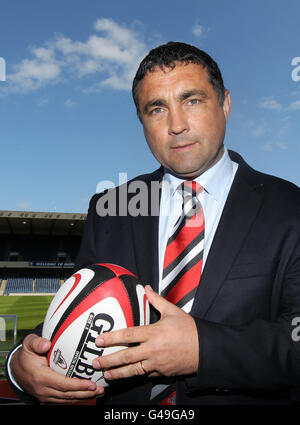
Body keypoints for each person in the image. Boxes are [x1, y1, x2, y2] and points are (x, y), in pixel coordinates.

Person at [6, 41, 300, 405]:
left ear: (225, 103)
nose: (176, 125)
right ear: (142, 122)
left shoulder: (289, 208)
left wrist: (203, 349)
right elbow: (80, 310)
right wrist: (21, 363)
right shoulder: (111, 207)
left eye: (192, 100)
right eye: (156, 109)